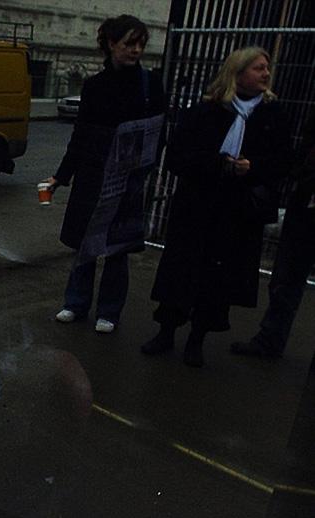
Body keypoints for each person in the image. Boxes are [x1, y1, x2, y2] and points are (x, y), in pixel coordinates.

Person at [141, 47, 292, 367]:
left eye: (267, 68)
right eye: (258, 68)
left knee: (216, 280)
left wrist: (254, 167)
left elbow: (283, 163)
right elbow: (178, 156)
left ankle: (197, 340)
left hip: (237, 213)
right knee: (181, 273)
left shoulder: (272, 115)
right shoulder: (205, 112)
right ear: (236, 74)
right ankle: (166, 331)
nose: (266, 74)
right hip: (197, 206)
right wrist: (218, 165)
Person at [45, 15, 165, 334]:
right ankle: (76, 302)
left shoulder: (150, 84)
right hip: (94, 175)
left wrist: (147, 165)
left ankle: (109, 310)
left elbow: (159, 130)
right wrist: (61, 176)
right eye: (129, 43)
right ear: (111, 44)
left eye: (140, 44)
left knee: (118, 247)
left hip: (129, 178)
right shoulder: (95, 86)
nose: (136, 50)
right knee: (86, 243)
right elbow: (81, 134)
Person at [230, 107, 315, 359]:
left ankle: (270, 340)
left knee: (287, 278)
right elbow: (301, 152)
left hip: (306, 202)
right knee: (285, 279)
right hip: (306, 204)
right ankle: (269, 340)